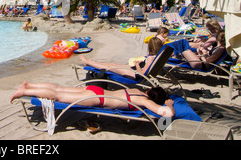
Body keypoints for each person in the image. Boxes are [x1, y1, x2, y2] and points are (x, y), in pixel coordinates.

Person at [10, 82, 175, 117]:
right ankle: (24, 91)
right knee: (59, 96)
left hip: (96, 90)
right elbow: (166, 114)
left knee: (59, 88)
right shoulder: (145, 102)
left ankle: (29, 86)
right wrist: (169, 105)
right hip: (97, 98)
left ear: (149, 90)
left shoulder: (137, 90)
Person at [80, 37, 164, 80]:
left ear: (150, 48)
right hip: (134, 70)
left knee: (110, 68)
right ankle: (89, 61)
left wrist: (137, 64)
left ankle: (88, 62)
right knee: (113, 64)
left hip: (136, 74)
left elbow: (142, 73)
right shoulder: (158, 56)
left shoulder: (151, 59)